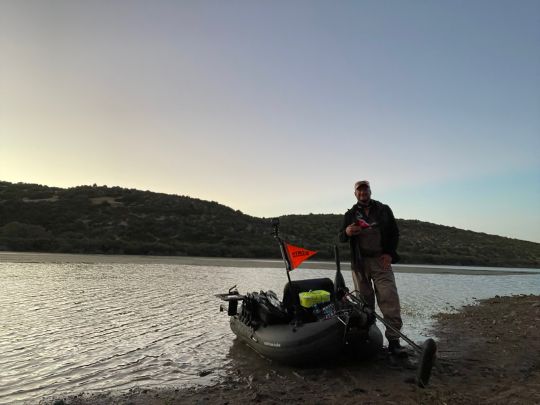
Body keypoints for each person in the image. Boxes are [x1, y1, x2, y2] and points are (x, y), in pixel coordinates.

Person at [338, 180, 407, 356]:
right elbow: (341, 237)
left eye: (365, 190)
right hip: (359, 263)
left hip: (381, 260)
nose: (363, 193)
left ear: (370, 191)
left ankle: (394, 342)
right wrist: (347, 231)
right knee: (364, 303)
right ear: (355, 194)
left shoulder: (384, 209)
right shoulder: (350, 214)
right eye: (359, 191)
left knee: (389, 297)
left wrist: (389, 254)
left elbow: (394, 233)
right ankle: (370, 338)